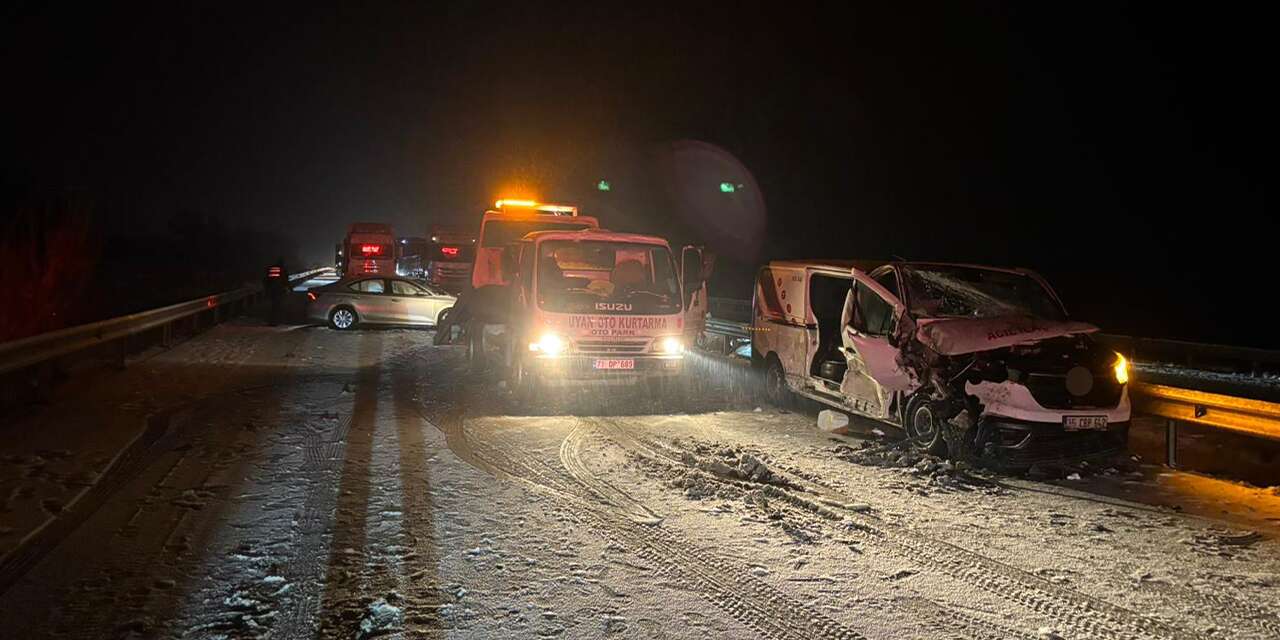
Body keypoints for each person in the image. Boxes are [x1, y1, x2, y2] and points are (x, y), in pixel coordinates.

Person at [263, 257, 290, 325]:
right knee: (277, 306)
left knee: (272, 305)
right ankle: (275, 321)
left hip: (271, 289)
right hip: (279, 290)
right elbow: (285, 280)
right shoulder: (283, 270)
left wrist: (266, 288)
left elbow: (266, 279)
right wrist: (288, 288)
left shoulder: (271, 268)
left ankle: (270, 321)